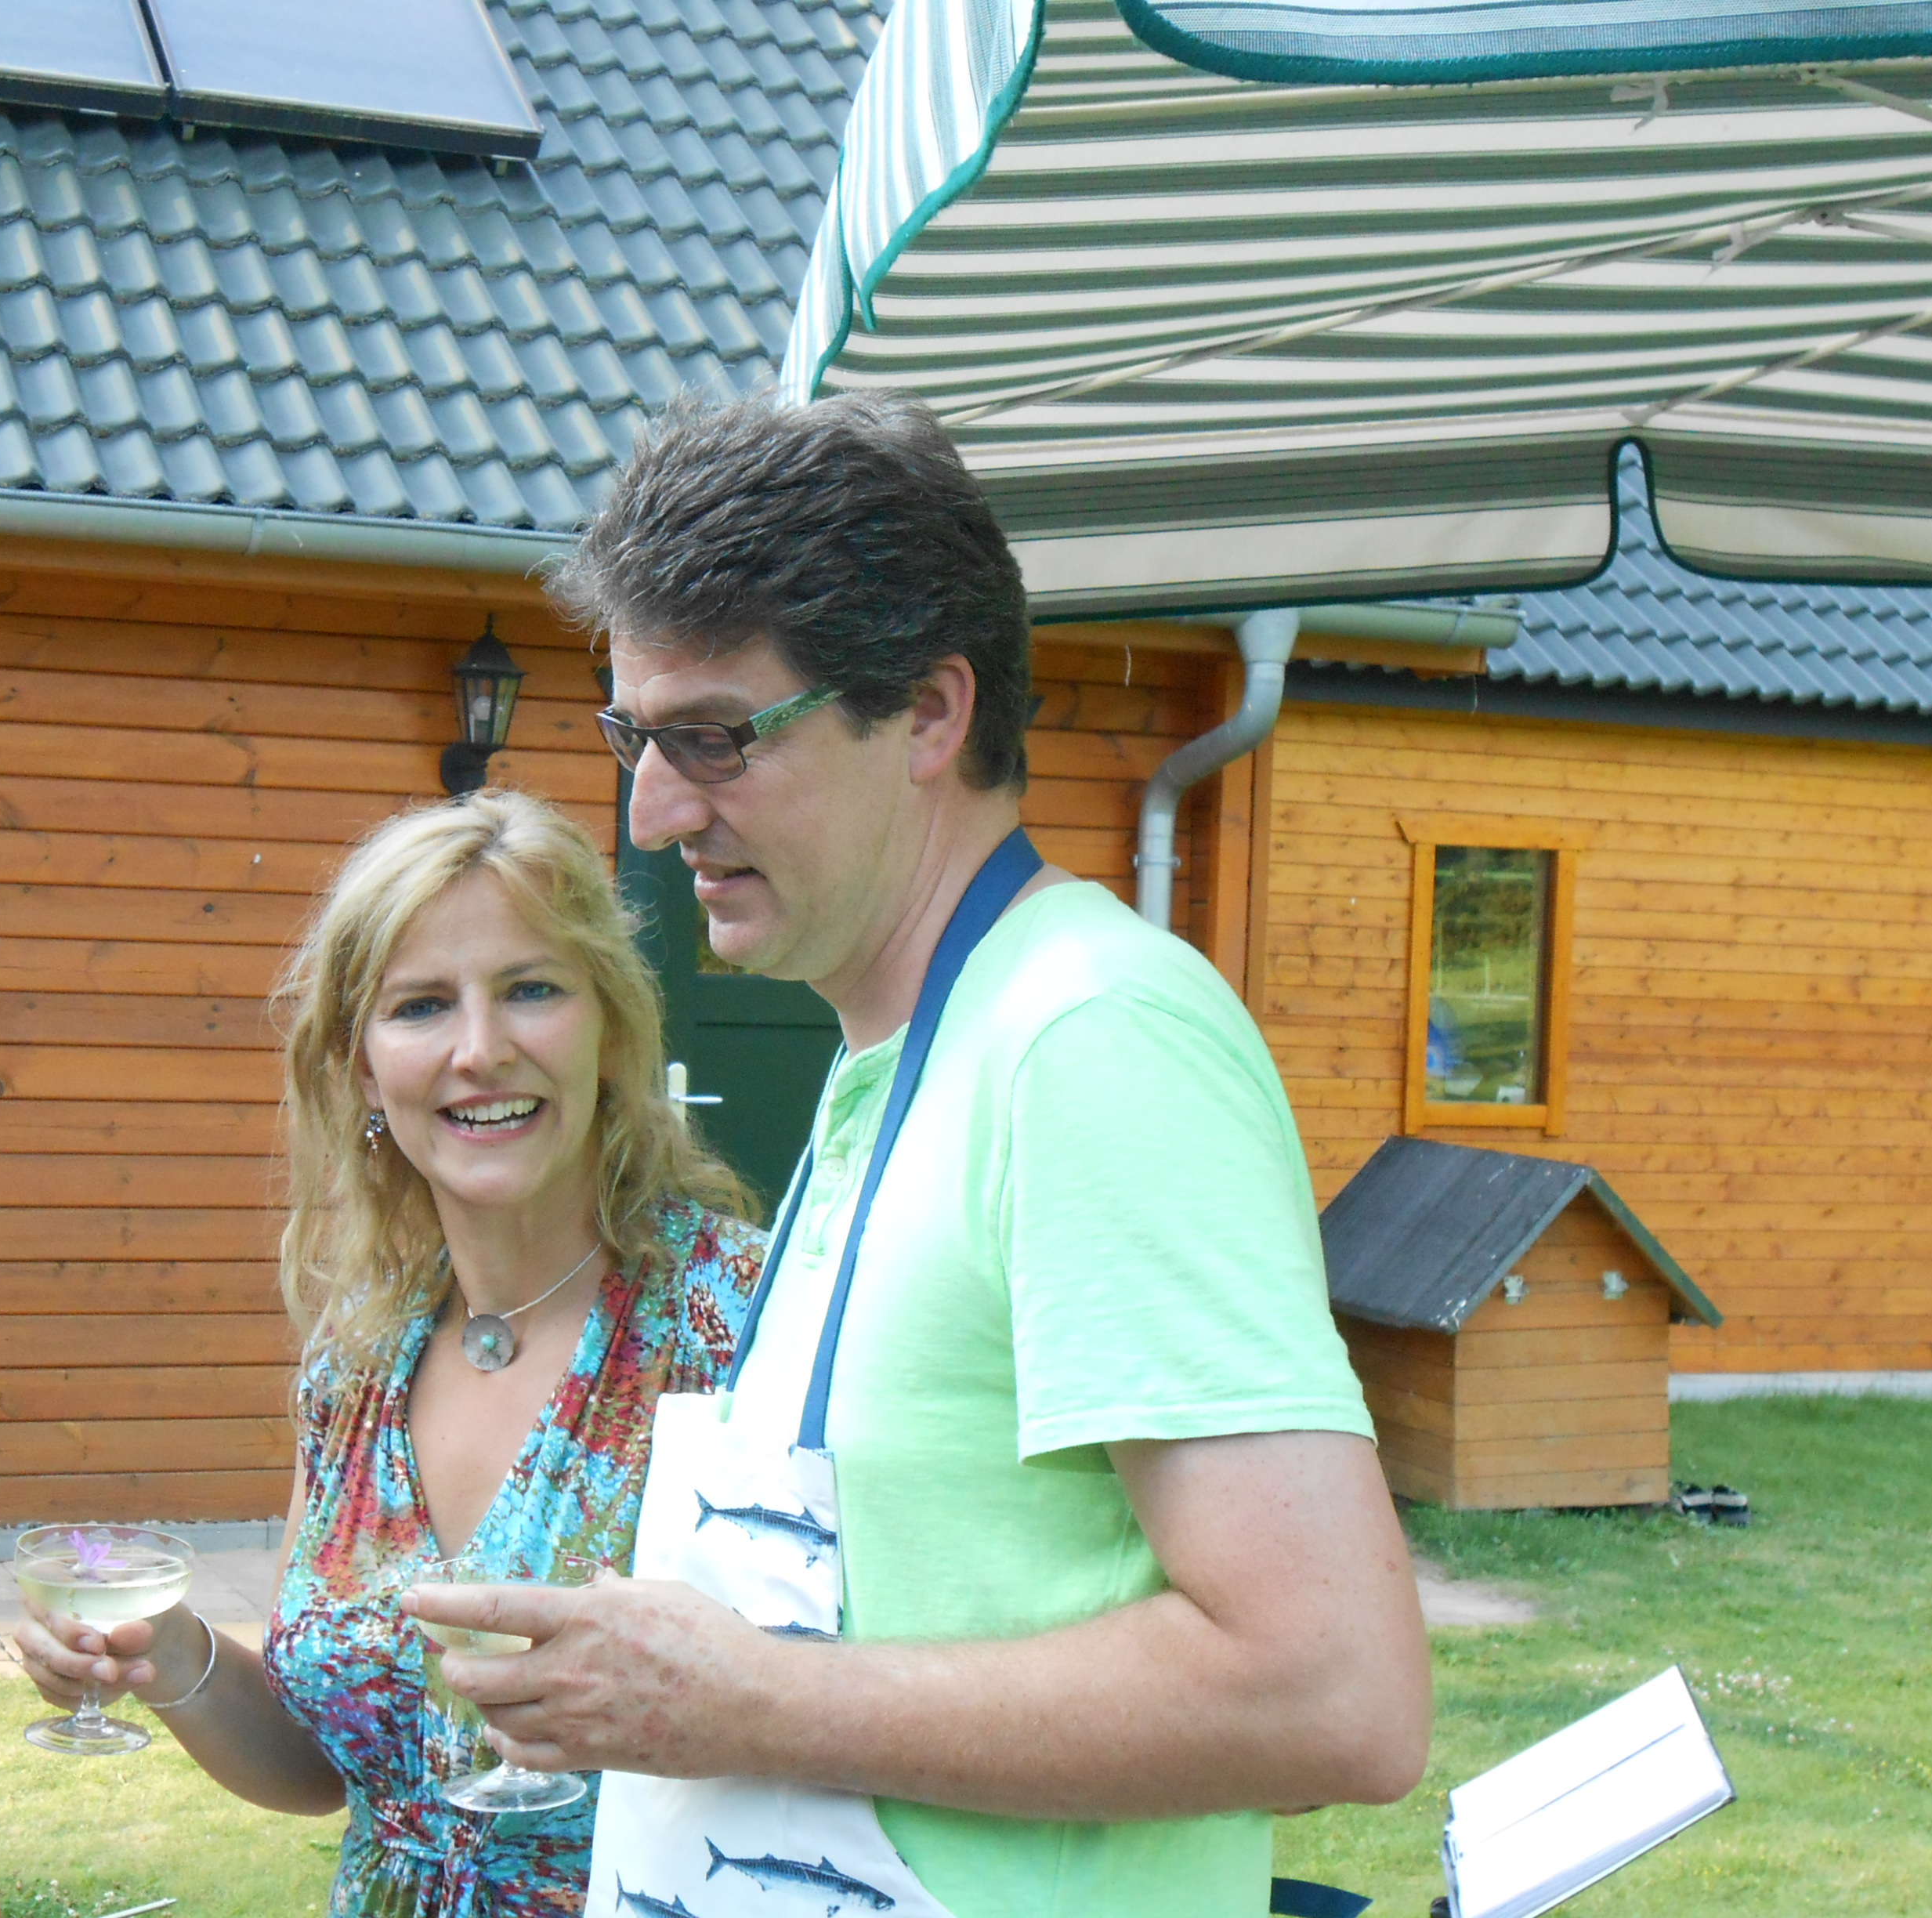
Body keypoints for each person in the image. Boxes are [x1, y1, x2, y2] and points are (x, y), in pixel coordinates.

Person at [403, 396, 1435, 1918]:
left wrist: (742, 1701)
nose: (652, 809)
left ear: (930, 714)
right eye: (634, 737)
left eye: (712, 738)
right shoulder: (897, 1050)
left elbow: (1333, 1692)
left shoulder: (1087, 1040)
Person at [14, 790, 763, 1918]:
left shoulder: (740, 1321)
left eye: (532, 989)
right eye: (421, 1006)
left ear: (609, 1029)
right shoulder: (359, 1360)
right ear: (364, 1068)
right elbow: (329, 1767)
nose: (481, 1050)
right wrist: (166, 1654)